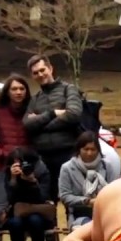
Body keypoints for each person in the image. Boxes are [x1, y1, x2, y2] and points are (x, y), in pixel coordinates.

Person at [23, 55, 84, 202]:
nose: (40, 74)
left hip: (68, 153)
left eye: (42, 70)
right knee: (47, 199)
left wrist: (41, 123)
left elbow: (74, 115)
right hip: (43, 158)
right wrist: (53, 113)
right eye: (35, 72)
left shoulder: (68, 89)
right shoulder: (34, 99)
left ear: (50, 69)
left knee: (73, 197)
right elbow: (27, 125)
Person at [0, 146, 54, 241]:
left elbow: (44, 197)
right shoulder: (8, 174)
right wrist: (13, 180)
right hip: (16, 213)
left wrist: (33, 182)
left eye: (24, 163)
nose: (22, 167)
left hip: (39, 212)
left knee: (35, 220)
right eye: (16, 163)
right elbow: (9, 199)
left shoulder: (42, 172)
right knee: (15, 223)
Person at [58, 131, 110, 228]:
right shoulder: (67, 168)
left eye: (93, 149)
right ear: (79, 150)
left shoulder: (107, 166)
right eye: (86, 149)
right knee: (88, 228)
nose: (89, 153)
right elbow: (64, 196)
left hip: (105, 214)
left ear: (98, 150)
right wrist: (87, 201)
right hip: (79, 215)